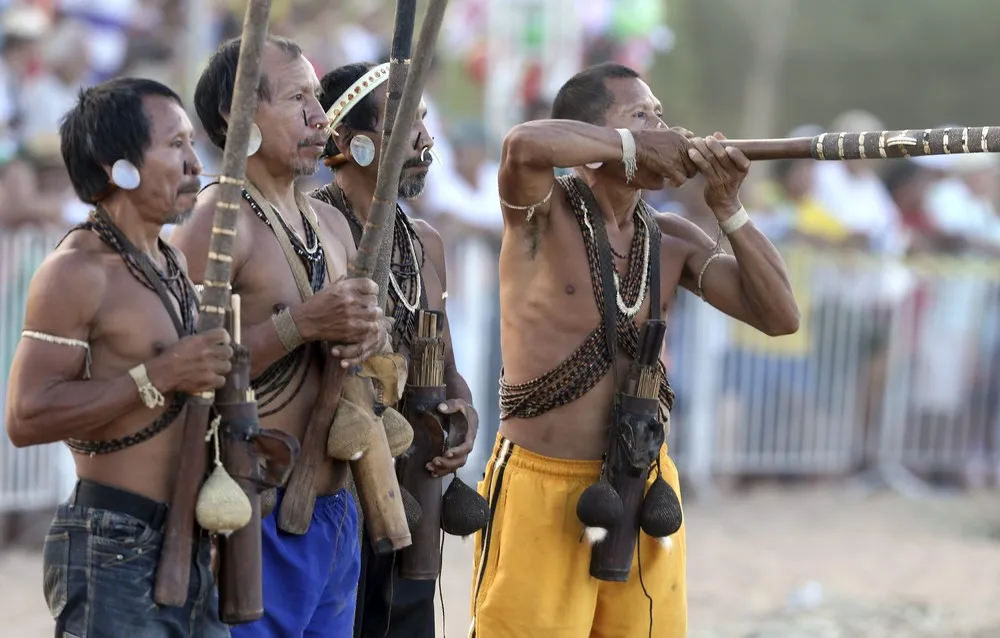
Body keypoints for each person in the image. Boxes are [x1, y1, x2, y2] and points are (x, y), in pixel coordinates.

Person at [471, 62, 800, 637]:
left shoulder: (673, 239)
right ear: (594, 136)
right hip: (540, 486)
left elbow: (780, 316)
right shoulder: (539, 214)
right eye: (641, 114)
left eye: (661, 116)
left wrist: (729, 209)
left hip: (644, 483)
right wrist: (634, 146)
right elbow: (523, 143)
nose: (665, 129)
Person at [169, 37, 387, 636]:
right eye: (297, 98)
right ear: (239, 116)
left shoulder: (332, 223)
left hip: (333, 510)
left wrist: (366, 338)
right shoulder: (220, 219)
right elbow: (176, 362)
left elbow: (352, 348)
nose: (320, 117)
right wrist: (303, 325)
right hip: (251, 509)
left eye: (317, 97)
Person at [4, 77, 231, 637]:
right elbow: (26, 416)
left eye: (192, 145)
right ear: (119, 167)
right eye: (174, 145)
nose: (193, 165)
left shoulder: (170, 263)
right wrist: (159, 374)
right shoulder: (76, 270)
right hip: (110, 542)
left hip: (188, 540)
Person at [311, 61, 477, 638]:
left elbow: (447, 362)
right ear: (352, 143)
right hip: (331, 490)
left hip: (413, 492)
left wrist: (463, 413)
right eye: (407, 125)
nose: (426, 141)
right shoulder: (312, 229)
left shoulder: (425, 241)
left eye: (425, 123)